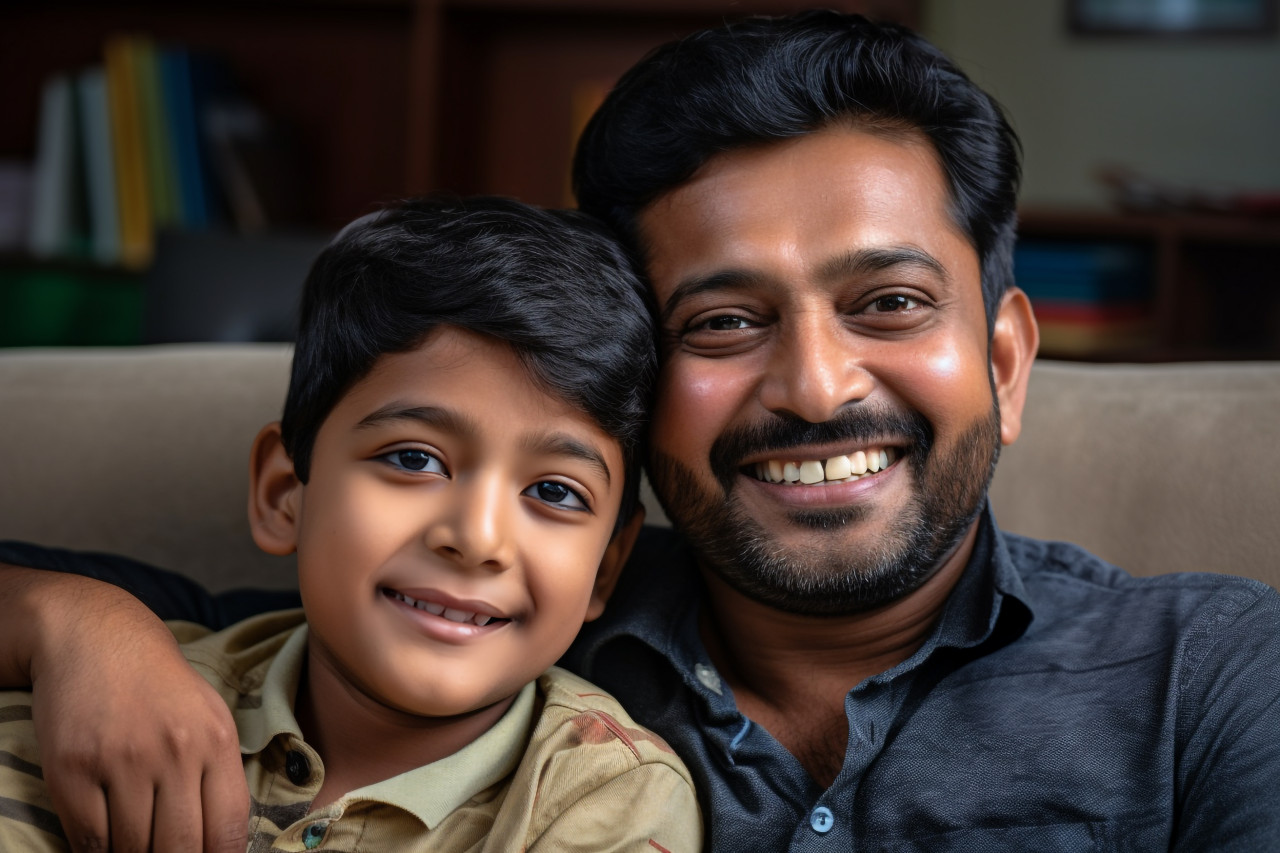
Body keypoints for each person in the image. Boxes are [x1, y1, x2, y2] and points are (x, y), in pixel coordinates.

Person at [3, 9, 1278, 852]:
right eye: (721, 322)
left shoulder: (1209, 678)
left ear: (1001, 361)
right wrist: (81, 626)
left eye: (887, 304)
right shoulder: (500, 612)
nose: (815, 386)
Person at [0, 195, 702, 852]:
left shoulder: (608, 801)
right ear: (284, 494)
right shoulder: (106, 703)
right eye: (414, 458)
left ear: (605, 568)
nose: (477, 538)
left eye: (554, 491)